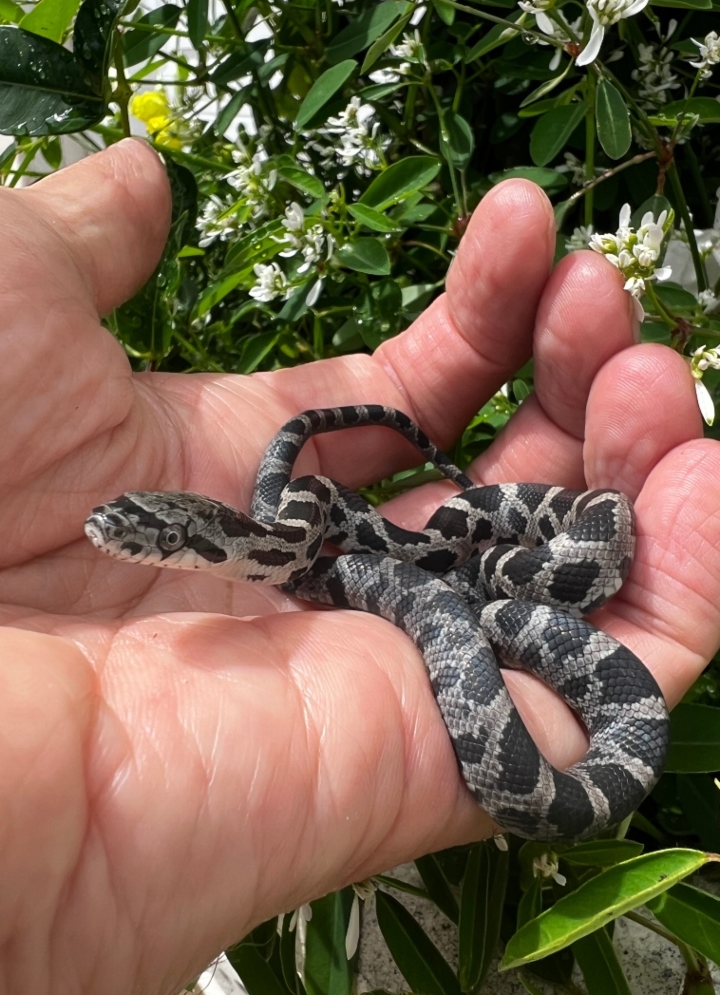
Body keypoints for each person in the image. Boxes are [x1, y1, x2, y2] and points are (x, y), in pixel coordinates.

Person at [1, 138, 718, 995]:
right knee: (459, 600)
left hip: (463, 560)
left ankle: (493, 573)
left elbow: (355, 551)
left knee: (473, 598)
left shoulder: (288, 536)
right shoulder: (285, 534)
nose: (120, 538)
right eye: (139, 534)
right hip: (380, 554)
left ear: (191, 539)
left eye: (147, 534)